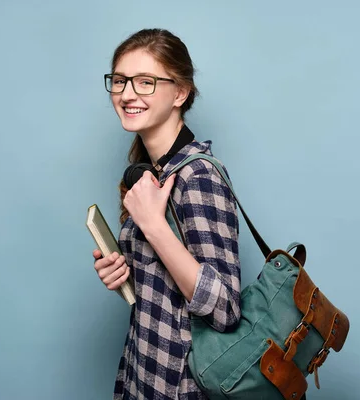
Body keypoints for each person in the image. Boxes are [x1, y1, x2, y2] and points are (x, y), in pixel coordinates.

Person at [92, 28, 241, 400]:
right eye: (121, 81)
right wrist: (123, 275)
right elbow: (169, 289)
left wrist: (154, 226)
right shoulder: (149, 171)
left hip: (180, 387)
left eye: (145, 82)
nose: (127, 94)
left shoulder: (197, 176)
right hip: (144, 371)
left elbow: (224, 308)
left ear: (180, 92)